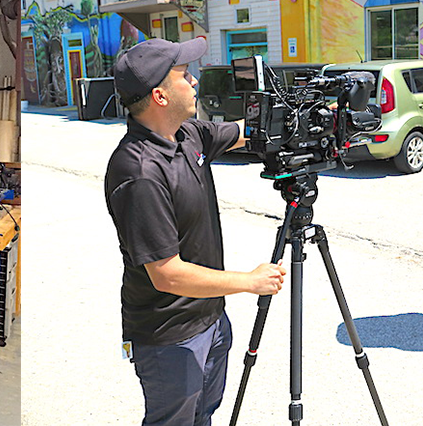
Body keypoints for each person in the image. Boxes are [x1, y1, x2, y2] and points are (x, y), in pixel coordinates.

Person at [104, 37, 288, 426]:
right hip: (169, 336)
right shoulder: (138, 173)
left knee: (204, 414)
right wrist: (248, 281)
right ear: (160, 96)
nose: (195, 79)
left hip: (210, 317)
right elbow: (166, 273)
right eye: (184, 75)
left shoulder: (187, 135)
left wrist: (300, 113)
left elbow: (241, 131)